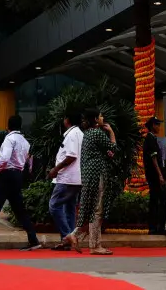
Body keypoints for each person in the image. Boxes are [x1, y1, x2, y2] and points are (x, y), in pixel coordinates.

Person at [0, 115, 42, 252]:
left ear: (8, 127)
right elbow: (29, 162)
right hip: (18, 175)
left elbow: (4, 157)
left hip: (6, 174)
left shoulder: (9, 139)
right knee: (19, 210)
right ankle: (33, 240)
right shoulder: (25, 142)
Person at [67, 108, 118, 255]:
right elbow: (113, 148)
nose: (103, 118)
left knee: (90, 208)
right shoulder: (97, 133)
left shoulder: (88, 134)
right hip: (97, 175)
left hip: (89, 175)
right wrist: (112, 132)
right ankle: (94, 245)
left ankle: (75, 235)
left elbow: (107, 153)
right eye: (100, 116)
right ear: (96, 119)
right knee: (97, 210)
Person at [46, 110, 83, 250]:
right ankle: (67, 240)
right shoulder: (79, 133)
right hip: (76, 178)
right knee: (70, 208)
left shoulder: (72, 135)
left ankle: (67, 235)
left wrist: (56, 169)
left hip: (67, 178)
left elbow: (71, 156)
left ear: (68, 120)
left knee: (54, 205)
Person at [142, 117, 166, 237]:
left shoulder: (151, 139)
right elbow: (154, 158)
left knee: (154, 201)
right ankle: (162, 228)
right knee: (165, 199)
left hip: (152, 175)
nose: (159, 127)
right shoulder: (150, 139)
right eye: (157, 124)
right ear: (152, 126)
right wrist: (160, 175)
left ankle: (153, 228)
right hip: (155, 175)